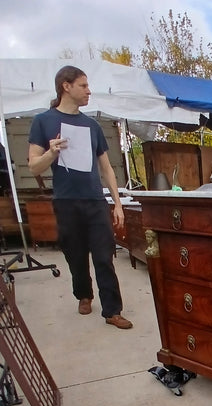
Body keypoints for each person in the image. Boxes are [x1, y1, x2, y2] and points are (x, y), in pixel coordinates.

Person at [28, 65, 132, 329]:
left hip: (95, 201)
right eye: (83, 86)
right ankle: (83, 295)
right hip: (66, 201)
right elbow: (33, 166)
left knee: (103, 255)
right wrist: (51, 153)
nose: (89, 91)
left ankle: (112, 310)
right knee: (75, 254)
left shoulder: (91, 125)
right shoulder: (43, 121)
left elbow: (106, 167)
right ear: (66, 86)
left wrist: (117, 203)